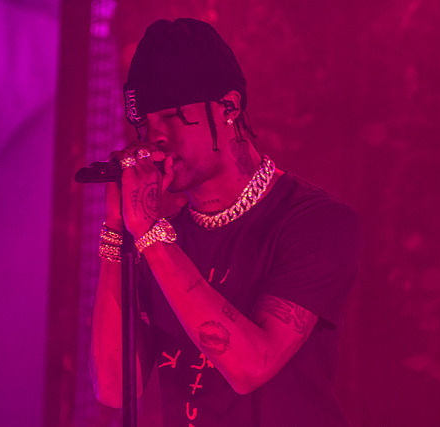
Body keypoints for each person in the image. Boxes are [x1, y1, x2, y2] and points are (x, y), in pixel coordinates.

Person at [91, 18, 360, 426]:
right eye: (144, 123)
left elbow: (252, 365)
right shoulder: (156, 241)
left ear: (229, 107)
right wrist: (117, 230)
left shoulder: (315, 221)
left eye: (172, 115)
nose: (154, 137)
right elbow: (114, 387)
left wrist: (148, 232)